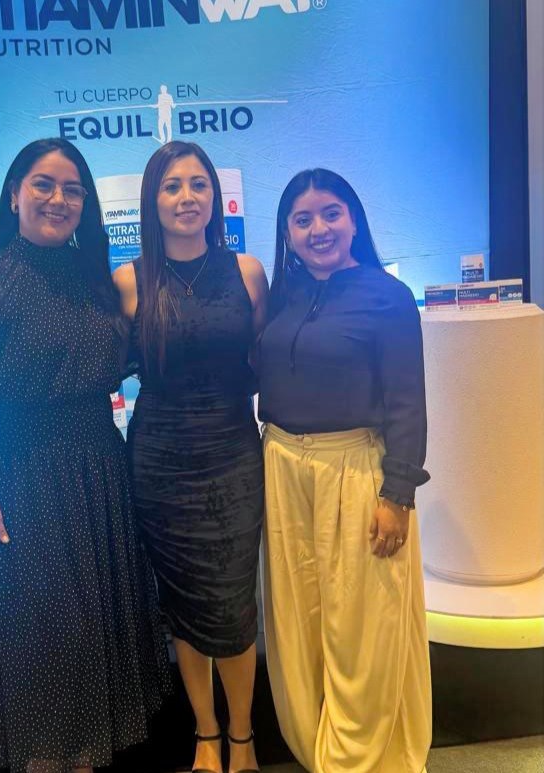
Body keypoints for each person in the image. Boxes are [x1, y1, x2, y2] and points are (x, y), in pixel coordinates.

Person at [0, 138, 171, 773]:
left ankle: (86, 758)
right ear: (14, 195)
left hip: (99, 472)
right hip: (22, 481)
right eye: (43, 184)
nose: (58, 199)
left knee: (94, 630)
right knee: (42, 636)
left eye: (72, 189)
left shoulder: (97, 282)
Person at [257, 168, 432, 773]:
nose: (319, 229)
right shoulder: (281, 296)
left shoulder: (388, 296)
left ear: (353, 219)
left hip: (356, 473)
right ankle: (317, 750)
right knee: (298, 623)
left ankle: (362, 760)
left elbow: (408, 403)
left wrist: (398, 494)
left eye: (331, 213)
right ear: (286, 233)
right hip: (281, 470)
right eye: (302, 219)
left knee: (364, 625)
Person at [113, 141, 268, 773]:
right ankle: (206, 733)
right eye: (172, 186)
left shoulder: (248, 272)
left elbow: (268, 361)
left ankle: (243, 735)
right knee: (183, 604)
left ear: (215, 197)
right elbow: (100, 370)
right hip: (159, 464)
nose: (186, 197)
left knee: (232, 605)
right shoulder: (128, 281)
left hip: (233, 456)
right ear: (152, 201)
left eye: (198, 184)